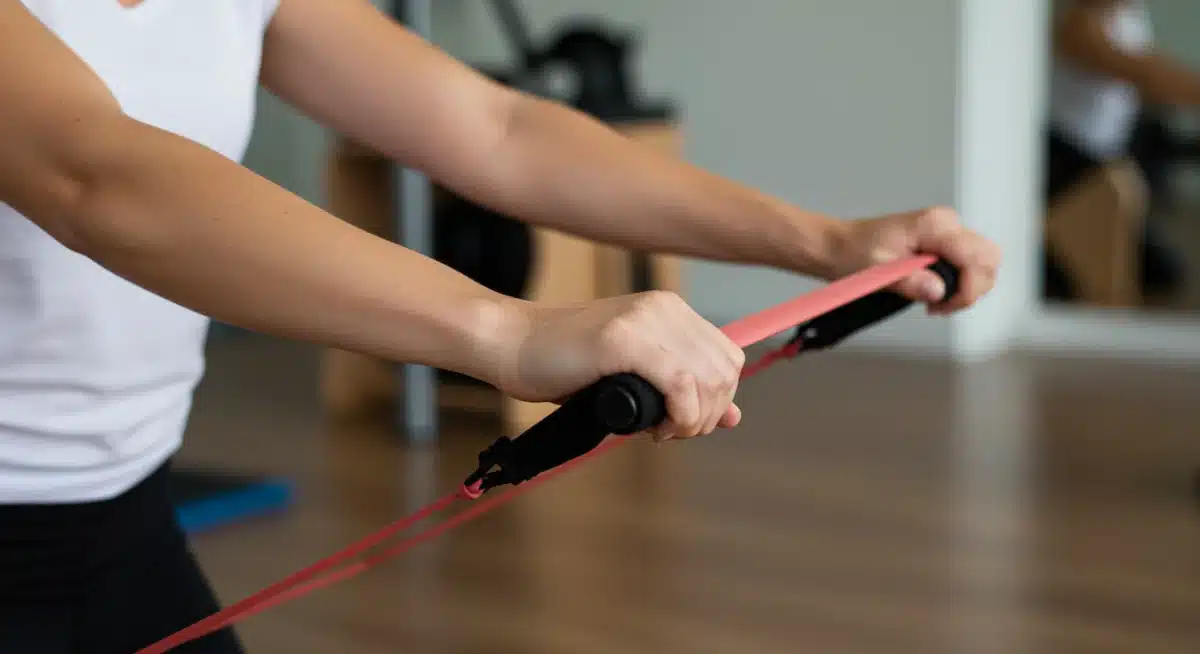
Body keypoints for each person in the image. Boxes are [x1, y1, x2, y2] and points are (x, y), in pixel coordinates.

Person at [0, 1, 1000, 652]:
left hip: (119, 520)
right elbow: (97, 177)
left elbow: (495, 130)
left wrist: (827, 242)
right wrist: (516, 336)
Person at [1045, 0, 1200, 299]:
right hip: (1065, 159)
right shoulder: (1078, 17)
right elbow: (1114, 59)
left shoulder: (1129, 15)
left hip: (1108, 153)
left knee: (1160, 272)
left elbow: (1148, 77)